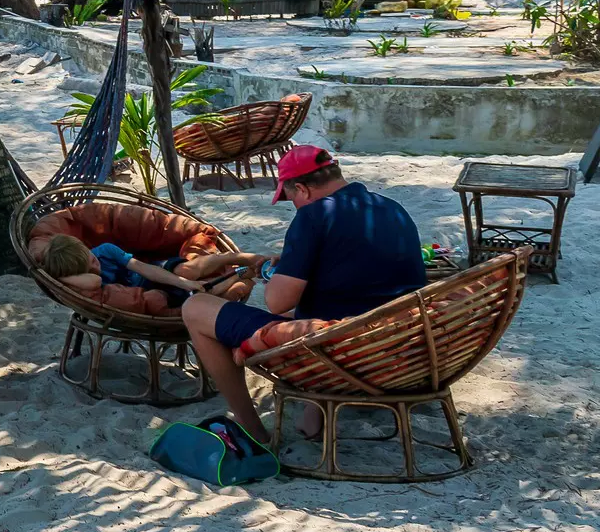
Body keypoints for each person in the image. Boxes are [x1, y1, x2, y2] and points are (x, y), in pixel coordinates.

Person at [180, 145, 427, 443]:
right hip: (393, 344)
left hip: (336, 350)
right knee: (309, 312)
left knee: (196, 307)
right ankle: (314, 415)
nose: (294, 205)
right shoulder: (393, 209)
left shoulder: (313, 216)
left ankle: (251, 429)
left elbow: (277, 300)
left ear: (303, 189)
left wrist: (272, 274)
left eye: (290, 198)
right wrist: (295, 263)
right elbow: (355, 272)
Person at [38, 234, 261, 310]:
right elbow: (95, 281)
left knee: (187, 271)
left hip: (154, 271)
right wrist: (61, 276)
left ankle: (235, 258)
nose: (95, 262)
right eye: (89, 265)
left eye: (91, 256)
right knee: (201, 297)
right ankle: (241, 274)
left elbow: (142, 267)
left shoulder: (104, 250)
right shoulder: (84, 277)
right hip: (148, 289)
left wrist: (182, 281)